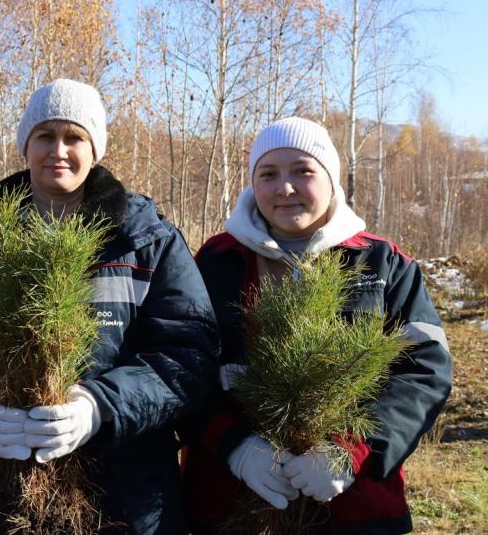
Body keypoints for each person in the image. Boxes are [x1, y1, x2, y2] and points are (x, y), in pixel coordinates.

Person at [0, 79, 218, 533]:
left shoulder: (146, 241)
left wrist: (98, 406)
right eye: (45, 135)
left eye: (75, 137)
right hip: (5, 500)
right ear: (25, 145)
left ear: (96, 148)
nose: (58, 150)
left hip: (128, 502)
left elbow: (188, 357)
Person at [180, 116, 452, 534]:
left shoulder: (381, 262)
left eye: (303, 171)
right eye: (268, 174)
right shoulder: (215, 262)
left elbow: (423, 370)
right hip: (230, 504)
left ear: (331, 178)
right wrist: (235, 447)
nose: (284, 188)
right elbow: (181, 366)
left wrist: (353, 451)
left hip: (357, 508)